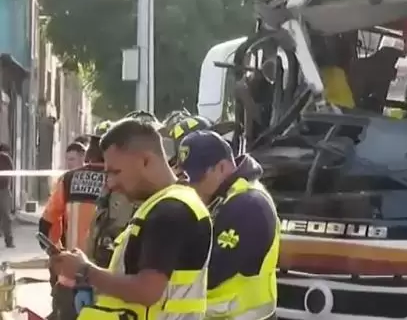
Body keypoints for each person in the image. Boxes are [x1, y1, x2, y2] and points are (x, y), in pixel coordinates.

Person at [50, 118, 213, 319]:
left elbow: (147, 291)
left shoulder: (170, 210)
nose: (110, 184)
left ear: (146, 160)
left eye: (116, 172)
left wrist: (85, 270)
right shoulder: (163, 205)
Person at [177, 130, 279, 319]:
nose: (192, 185)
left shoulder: (247, 204)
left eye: (198, 178)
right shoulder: (221, 197)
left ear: (223, 168)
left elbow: (214, 271)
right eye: (187, 177)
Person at [39, 136, 108, 320]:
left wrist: (56, 254)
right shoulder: (120, 180)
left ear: (88, 156)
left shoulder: (69, 179)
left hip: (70, 275)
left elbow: (47, 222)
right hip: (108, 280)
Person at [0, 143, 13, 248]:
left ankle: (9, 240)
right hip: (4, 189)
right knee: (5, 216)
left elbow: (11, 171)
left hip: (3, 189)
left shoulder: (5, 158)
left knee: (6, 216)